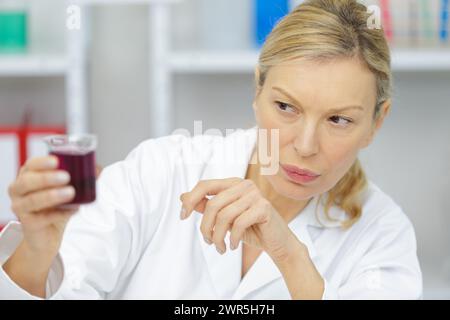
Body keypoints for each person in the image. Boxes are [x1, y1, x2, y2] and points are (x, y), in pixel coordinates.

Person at [0, 0, 422, 299]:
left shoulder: (382, 235)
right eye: (285, 107)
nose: (306, 145)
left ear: (376, 122)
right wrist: (38, 250)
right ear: (257, 90)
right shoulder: (162, 171)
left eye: (339, 120)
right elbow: (58, 289)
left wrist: (290, 256)